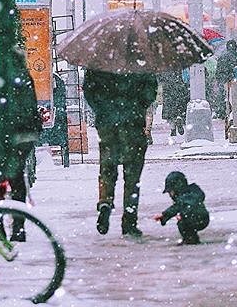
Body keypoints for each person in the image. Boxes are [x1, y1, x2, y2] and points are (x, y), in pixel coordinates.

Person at [83, 68, 157, 239]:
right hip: (132, 123)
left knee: (107, 168)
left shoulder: (99, 60)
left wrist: (102, 109)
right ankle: (129, 221)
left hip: (107, 124)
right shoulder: (139, 60)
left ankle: (105, 202)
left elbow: (89, 90)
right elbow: (150, 91)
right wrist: (136, 105)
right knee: (132, 176)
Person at [153, 170, 209, 245]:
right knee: (186, 221)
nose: (170, 195)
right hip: (204, 218)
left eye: (170, 192)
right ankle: (193, 237)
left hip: (197, 218)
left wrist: (164, 215)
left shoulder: (184, 197)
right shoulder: (191, 192)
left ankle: (190, 239)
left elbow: (178, 207)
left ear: (176, 188)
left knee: (182, 223)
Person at [214, 40, 237, 119]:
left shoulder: (222, 57)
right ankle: (233, 113)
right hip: (234, 81)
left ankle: (223, 113)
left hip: (223, 80)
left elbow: (218, 71)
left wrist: (220, 79)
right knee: (235, 98)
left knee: (223, 96)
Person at [157, 70, 189, 136]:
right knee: (179, 107)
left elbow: (159, 77)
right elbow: (186, 77)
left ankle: (173, 129)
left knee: (170, 111)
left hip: (168, 89)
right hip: (180, 87)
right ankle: (179, 118)